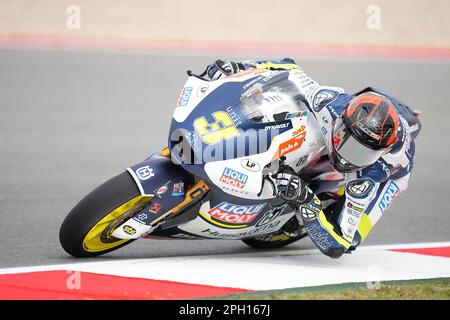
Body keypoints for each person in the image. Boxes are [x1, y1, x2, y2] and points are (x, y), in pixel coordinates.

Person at [203, 58, 421, 258]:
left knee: (353, 238)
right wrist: (238, 67)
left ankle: (299, 219)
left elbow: (337, 246)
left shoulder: (368, 176)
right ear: (341, 126)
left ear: (380, 153)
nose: (349, 159)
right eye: (350, 144)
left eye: (364, 153)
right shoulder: (327, 101)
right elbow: (289, 68)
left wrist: (304, 200)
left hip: (394, 175)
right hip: (366, 114)